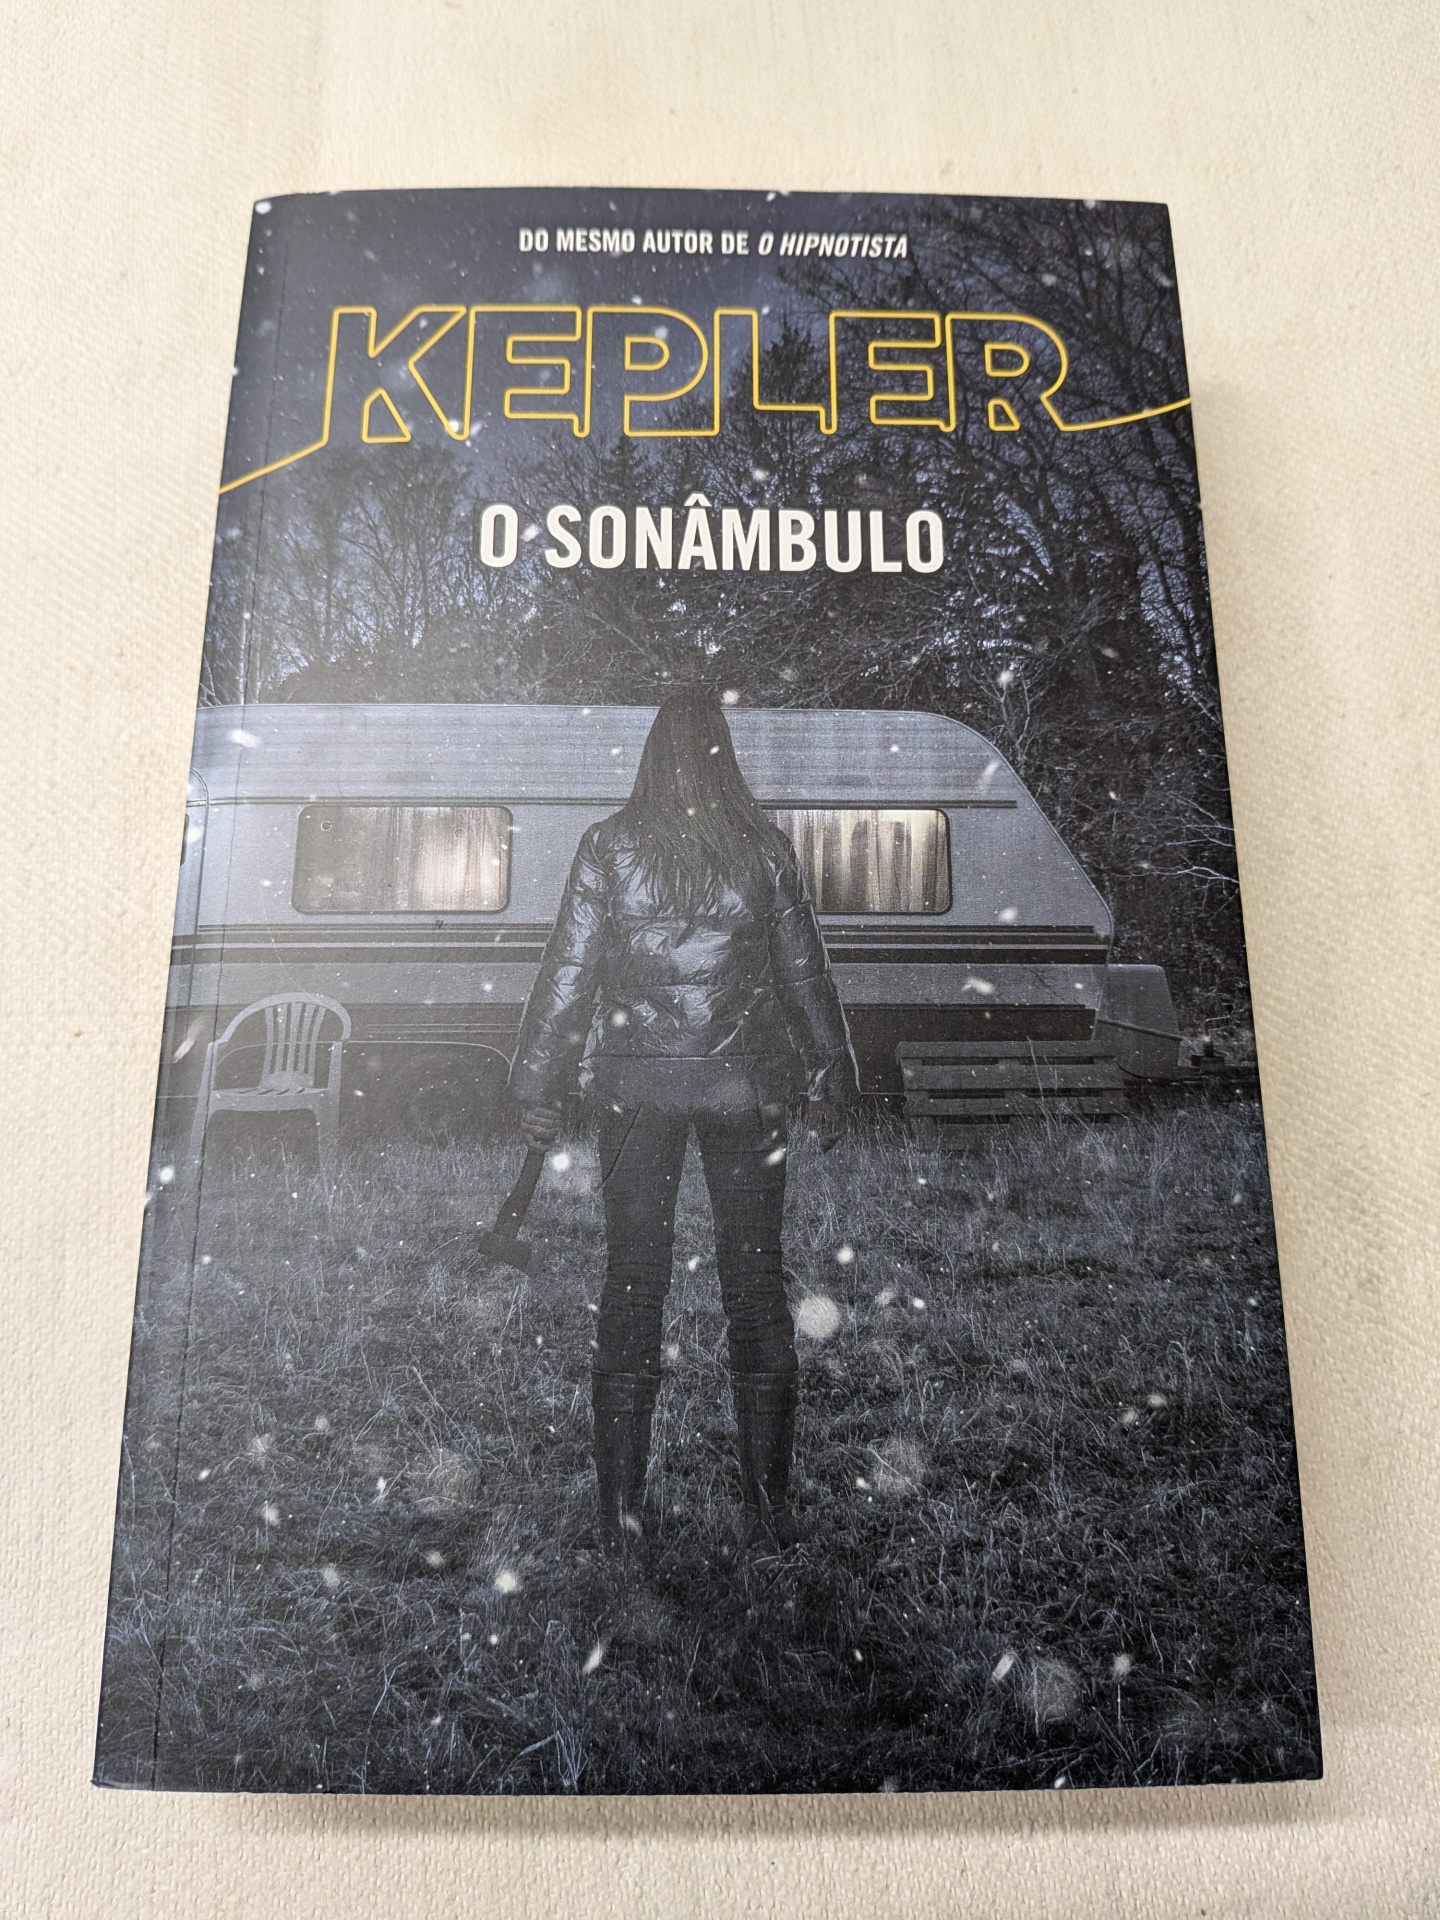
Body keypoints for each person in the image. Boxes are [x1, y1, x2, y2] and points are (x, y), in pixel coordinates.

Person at [509, 687, 859, 1555]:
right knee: (756, 1289)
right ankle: (767, 1517)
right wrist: (832, 1073)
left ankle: (621, 1518)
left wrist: (538, 1081)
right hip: (747, 1090)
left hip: (636, 1091)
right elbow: (804, 973)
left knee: (633, 1284)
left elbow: (569, 973)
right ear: (721, 754)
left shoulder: (608, 846)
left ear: (653, 753)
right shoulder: (764, 847)